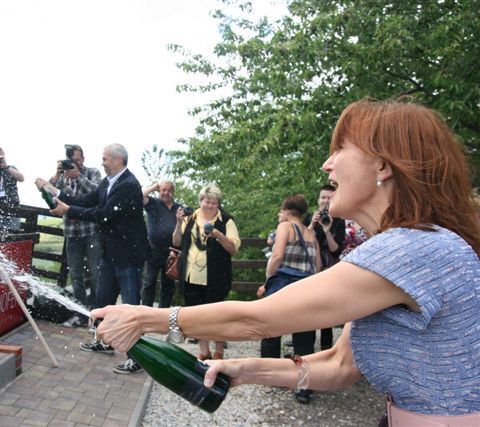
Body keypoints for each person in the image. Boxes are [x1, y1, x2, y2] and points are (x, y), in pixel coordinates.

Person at [92, 99, 480, 425]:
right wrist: (243, 371)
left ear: (383, 166)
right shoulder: (403, 249)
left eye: (340, 149)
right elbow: (340, 365)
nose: (327, 165)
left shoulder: (415, 250)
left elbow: (259, 319)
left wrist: (146, 318)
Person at [35, 143, 150, 374]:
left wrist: (67, 211)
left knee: (129, 307)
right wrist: (53, 190)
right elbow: (86, 200)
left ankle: (136, 357)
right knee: (103, 301)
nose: (102, 162)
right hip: (111, 254)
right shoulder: (108, 183)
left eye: (105, 158)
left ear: (118, 160)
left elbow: (104, 215)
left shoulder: (128, 185)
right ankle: (104, 341)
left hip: (129, 257)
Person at [256, 195, 321, 403]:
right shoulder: (311, 233)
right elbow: (318, 266)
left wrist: (268, 277)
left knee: (270, 331)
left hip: (283, 285)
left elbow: (276, 256)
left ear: (287, 210)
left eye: (281, 211)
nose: (279, 215)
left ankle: (271, 376)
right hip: (307, 287)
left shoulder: (285, 227)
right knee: (304, 339)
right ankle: (304, 387)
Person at [172, 185, 240, 361]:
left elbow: (233, 249)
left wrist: (218, 235)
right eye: (206, 201)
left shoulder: (226, 221)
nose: (209, 205)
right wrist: (179, 222)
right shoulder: (191, 217)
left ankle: (218, 352)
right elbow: (176, 242)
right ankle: (204, 351)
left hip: (216, 277)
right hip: (191, 275)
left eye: (214, 202)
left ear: (218, 204)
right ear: (200, 201)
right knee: (198, 316)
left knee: (217, 317)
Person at [49, 144, 102, 309]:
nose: (74, 163)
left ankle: (95, 309)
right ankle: (82, 311)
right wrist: (57, 174)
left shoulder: (92, 172)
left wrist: (78, 176)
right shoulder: (62, 177)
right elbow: (50, 196)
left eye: (77, 160)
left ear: (83, 159)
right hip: (71, 233)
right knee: (75, 275)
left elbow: (98, 193)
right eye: (71, 161)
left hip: (91, 230)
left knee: (96, 273)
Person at [304, 184, 346, 350]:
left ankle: (326, 348)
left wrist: (327, 231)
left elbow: (336, 250)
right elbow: (302, 240)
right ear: (318, 199)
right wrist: (312, 226)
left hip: (330, 269)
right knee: (308, 307)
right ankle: (306, 347)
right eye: (323, 197)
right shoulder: (308, 218)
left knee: (327, 310)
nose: (326, 201)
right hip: (310, 268)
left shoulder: (339, 221)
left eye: (329, 197)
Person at [141, 181, 181, 308]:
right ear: (159, 191)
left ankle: (163, 313)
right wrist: (153, 187)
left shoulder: (178, 208)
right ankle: (146, 312)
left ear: (173, 192)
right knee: (149, 282)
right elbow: (139, 196)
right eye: (163, 190)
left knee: (168, 284)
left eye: (169, 190)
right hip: (153, 250)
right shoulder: (153, 203)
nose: (166, 193)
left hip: (172, 251)